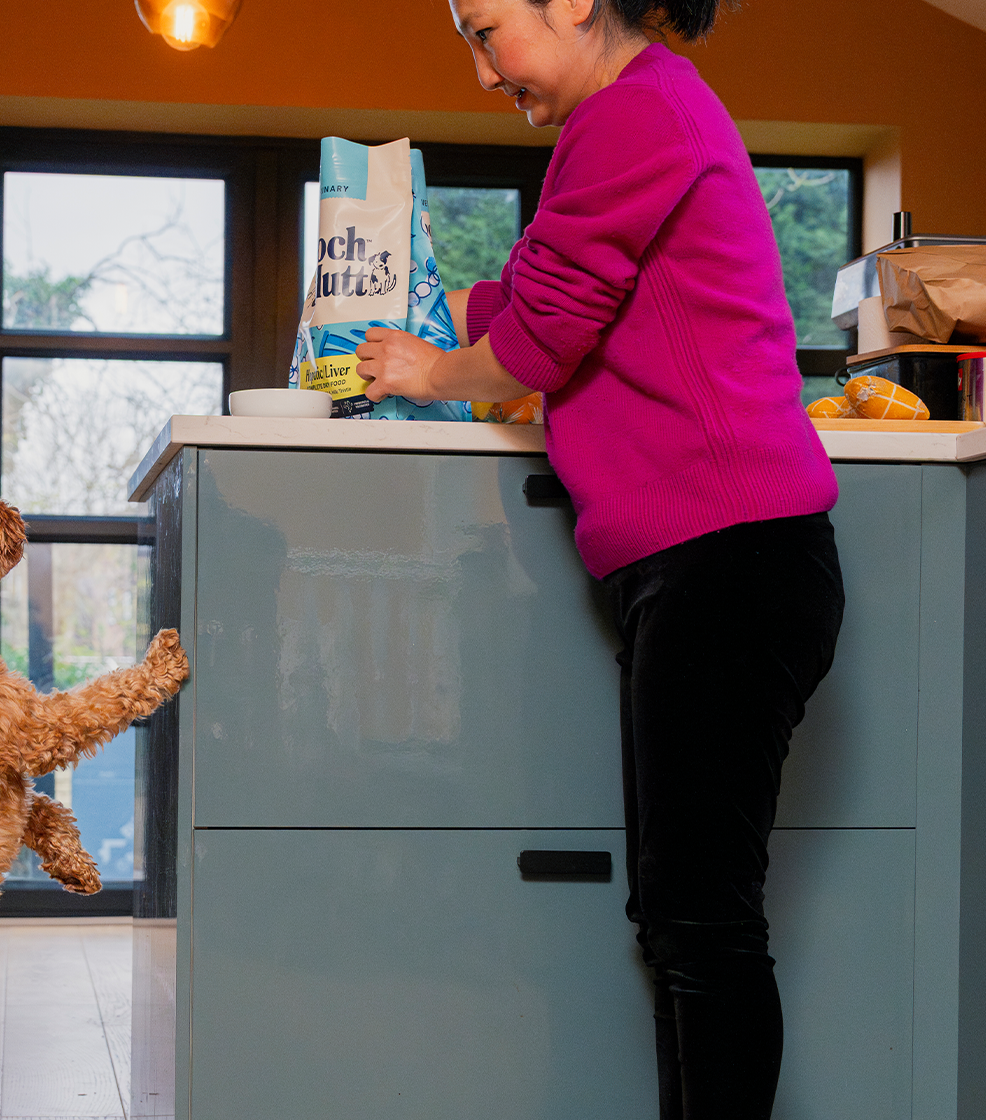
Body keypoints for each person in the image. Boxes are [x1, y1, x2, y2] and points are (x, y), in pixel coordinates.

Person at [354, 2, 846, 1117]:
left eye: (484, 30)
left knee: (701, 924)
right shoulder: (627, 121)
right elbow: (533, 296)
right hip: (715, 565)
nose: (481, 71)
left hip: (727, 560)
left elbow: (536, 337)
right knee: (682, 918)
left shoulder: (635, 116)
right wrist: (407, 308)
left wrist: (427, 371)